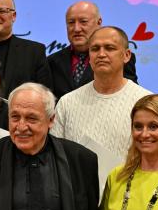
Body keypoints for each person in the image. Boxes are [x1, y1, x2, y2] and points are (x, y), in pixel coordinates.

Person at [52, 26, 151, 161]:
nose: (101, 54)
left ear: (127, 55)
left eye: (110, 48)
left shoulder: (146, 102)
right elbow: (56, 157)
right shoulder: (67, 102)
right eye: (95, 49)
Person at [48, 1, 137, 101]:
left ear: (99, 22)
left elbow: (130, 96)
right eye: (71, 22)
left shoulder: (119, 57)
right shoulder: (51, 61)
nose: (76, 29)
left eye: (83, 21)